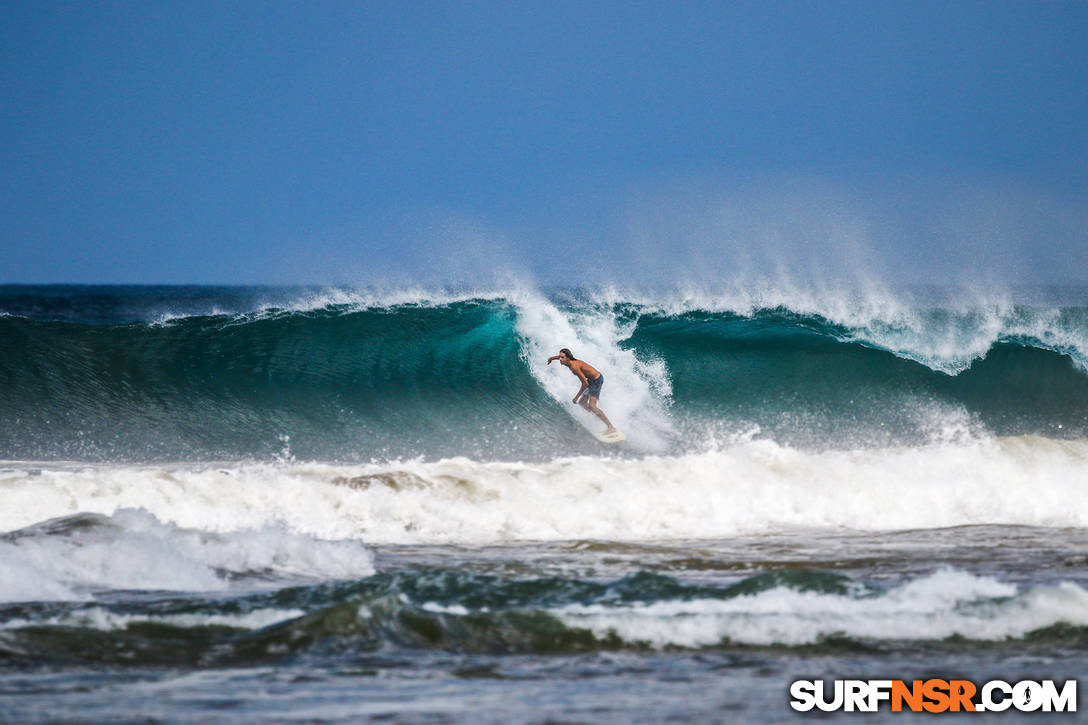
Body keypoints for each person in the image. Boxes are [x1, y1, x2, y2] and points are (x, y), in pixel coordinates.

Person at [546, 348, 617, 435]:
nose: (560, 359)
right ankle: (597, 415)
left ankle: (611, 427)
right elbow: (559, 356)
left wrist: (576, 397)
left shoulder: (574, 367)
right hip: (591, 380)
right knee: (582, 403)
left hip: (596, 380)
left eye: (562, 358)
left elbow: (585, 384)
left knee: (592, 405)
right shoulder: (567, 360)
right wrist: (551, 358)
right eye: (559, 357)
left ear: (568, 358)